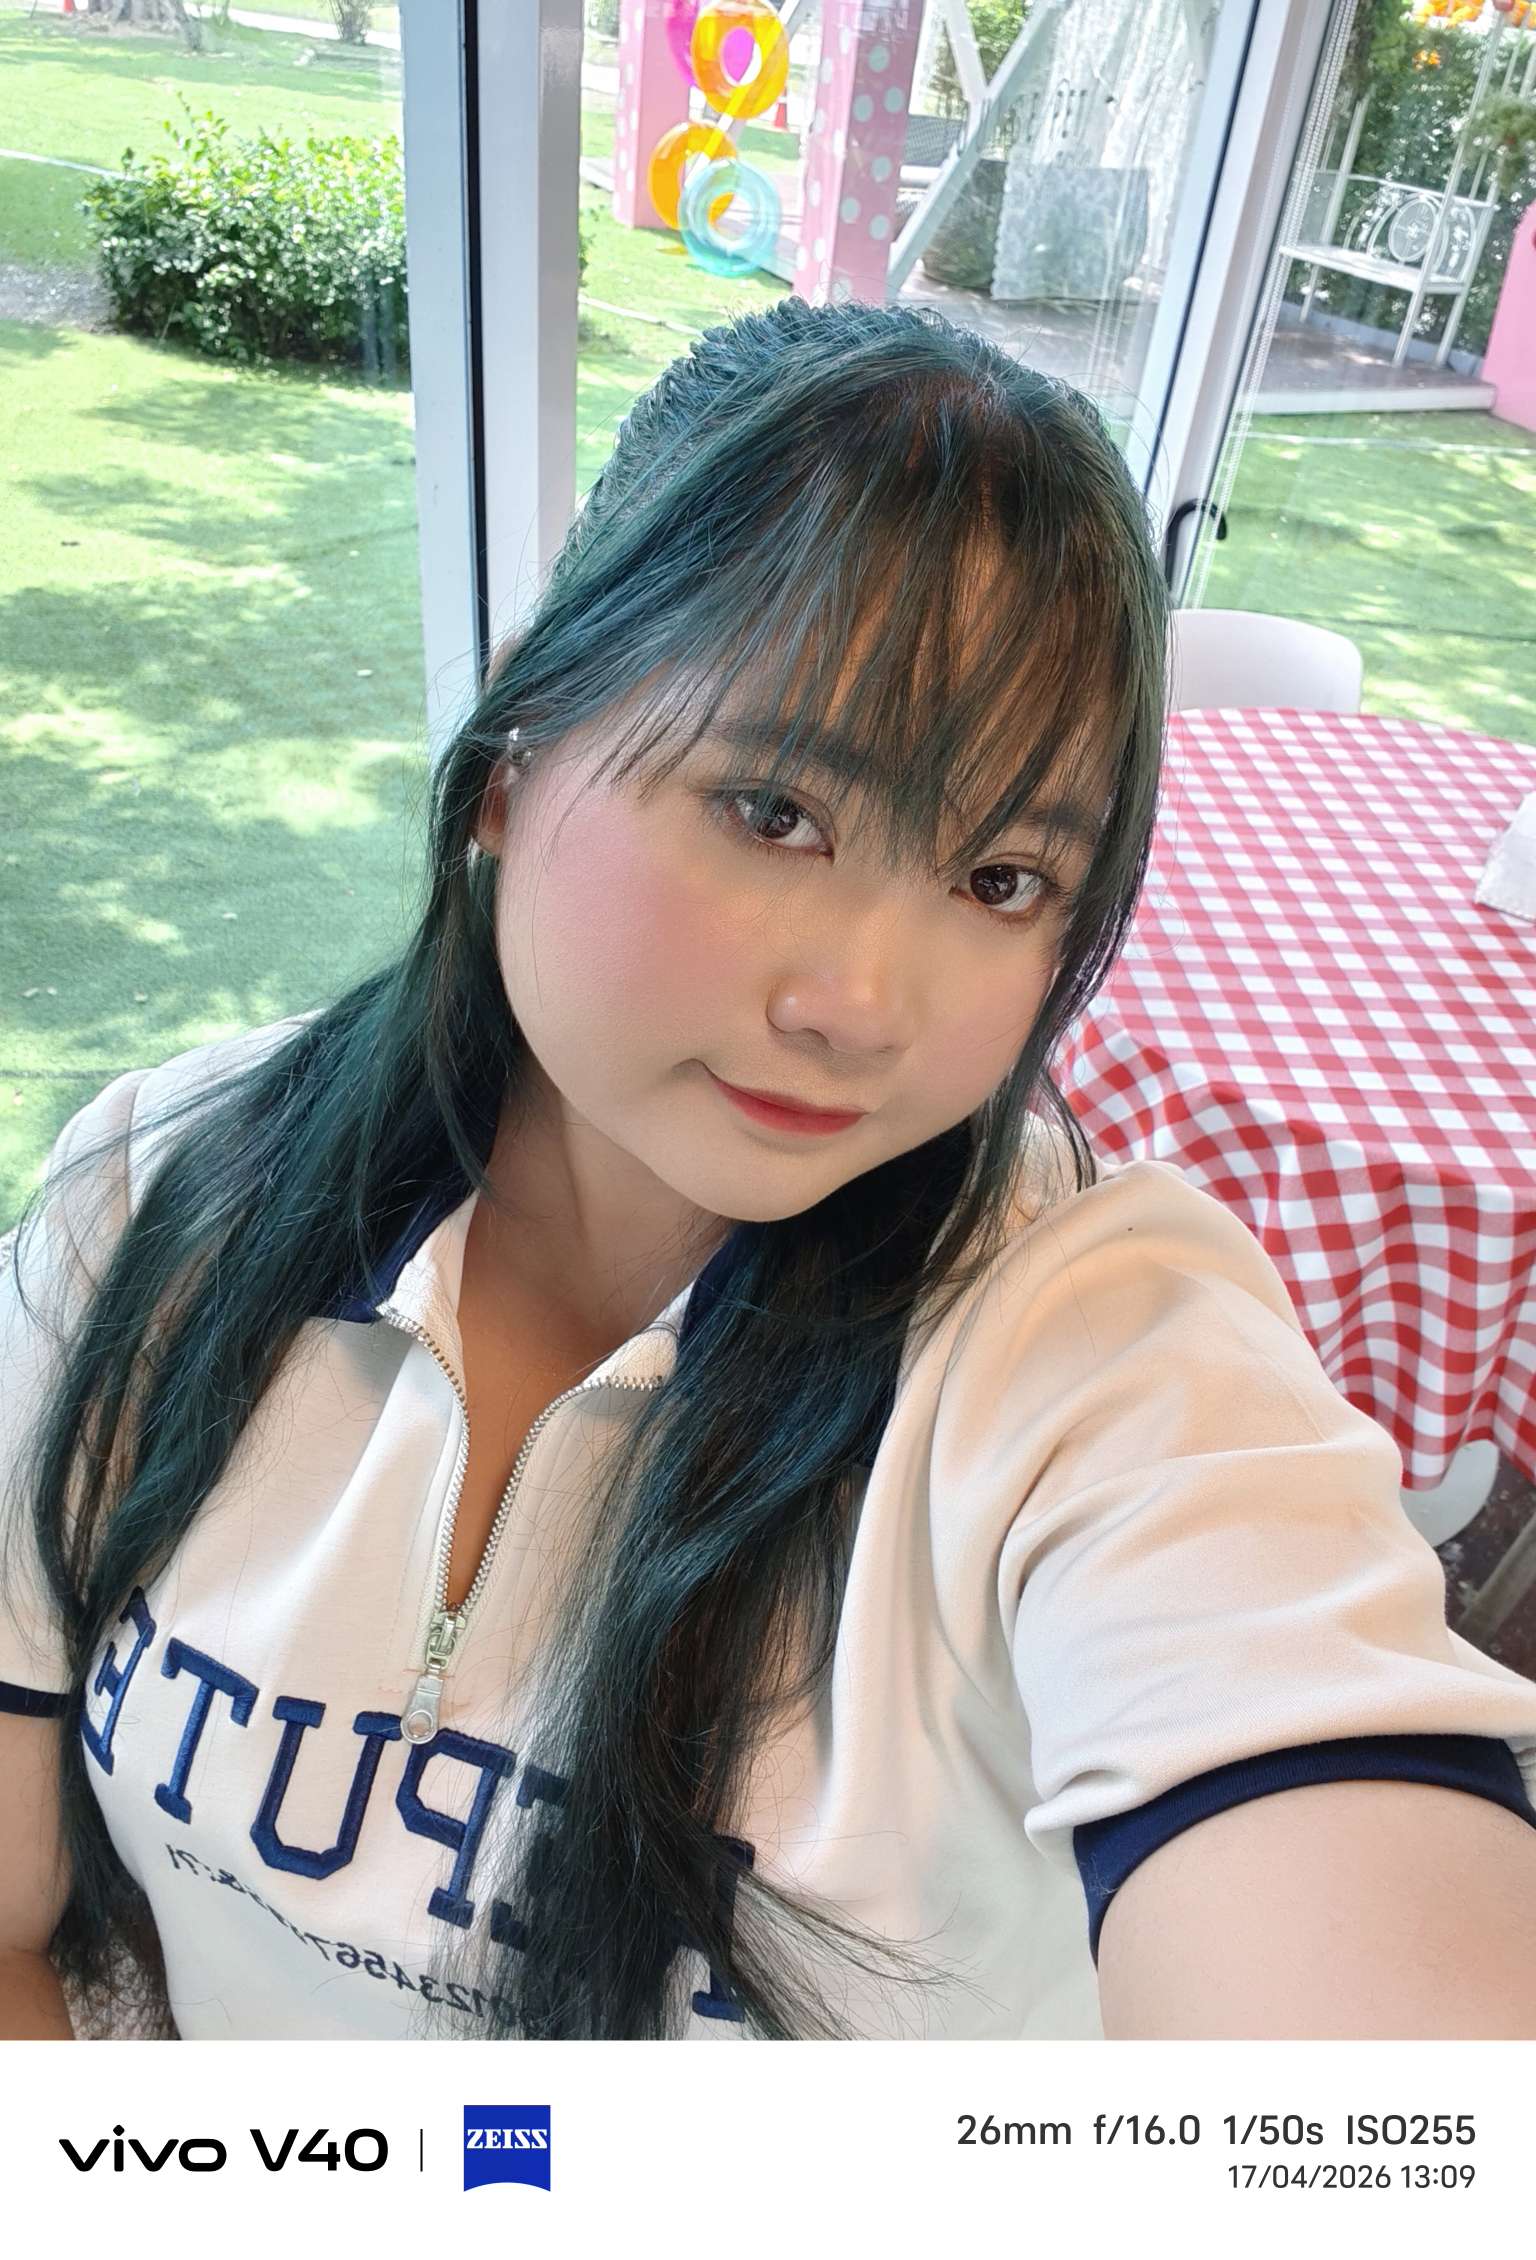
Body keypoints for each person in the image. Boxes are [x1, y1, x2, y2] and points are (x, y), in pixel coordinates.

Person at [4, 297, 1536, 2048]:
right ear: (515, 752)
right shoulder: (153, 1192)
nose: (863, 1008)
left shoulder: (1103, 1355)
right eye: (776, 812)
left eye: (1002, 881)